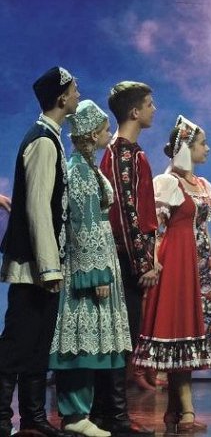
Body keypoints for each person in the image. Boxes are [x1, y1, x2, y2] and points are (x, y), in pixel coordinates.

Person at [134, 116, 211, 433]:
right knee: (180, 331)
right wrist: (152, 263)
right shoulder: (168, 183)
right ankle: (187, 411)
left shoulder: (201, 186)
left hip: (199, 264)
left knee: (191, 332)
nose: (207, 148)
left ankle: (173, 412)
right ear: (187, 148)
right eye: (202, 143)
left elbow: (204, 231)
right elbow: (153, 229)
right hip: (176, 263)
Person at [0, 66, 80, 437]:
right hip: (32, 266)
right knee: (19, 341)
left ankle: (33, 416)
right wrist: (49, 267)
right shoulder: (43, 141)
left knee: (38, 342)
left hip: (44, 265)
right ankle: (3, 416)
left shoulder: (51, 138)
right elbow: (36, 208)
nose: (78, 94)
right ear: (61, 97)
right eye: (74, 89)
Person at [50, 101, 134, 437]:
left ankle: (81, 414)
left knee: (93, 339)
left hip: (101, 257)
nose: (109, 133)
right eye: (104, 129)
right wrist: (95, 274)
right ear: (90, 134)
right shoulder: (80, 171)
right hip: (88, 265)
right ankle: (74, 414)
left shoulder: (88, 167)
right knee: (80, 341)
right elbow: (82, 224)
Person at [99, 81, 160, 394]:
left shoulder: (131, 153)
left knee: (129, 331)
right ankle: (113, 409)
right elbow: (125, 211)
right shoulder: (122, 154)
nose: (154, 109)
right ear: (135, 112)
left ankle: (115, 407)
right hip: (125, 259)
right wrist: (142, 262)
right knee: (123, 331)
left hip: (132, 257)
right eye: (149, 104)